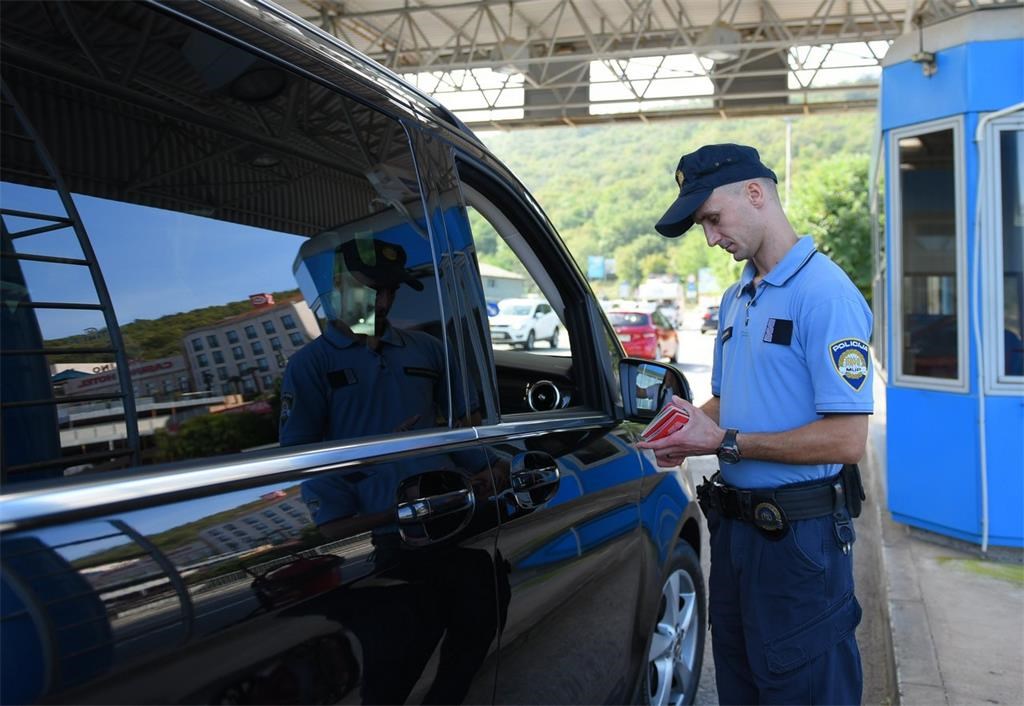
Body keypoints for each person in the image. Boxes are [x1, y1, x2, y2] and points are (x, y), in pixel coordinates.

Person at [640, 143, 873, 705]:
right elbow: (731, 401)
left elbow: (848, 440)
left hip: (800, 543)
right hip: (739, 536)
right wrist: (686, 427)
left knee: (804, 688)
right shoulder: (738, 295)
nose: (711, 237)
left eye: (712, 219)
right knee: (743, 689)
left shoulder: (826, 294)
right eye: (702, 226)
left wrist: (723, 442)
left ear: (755, 193)